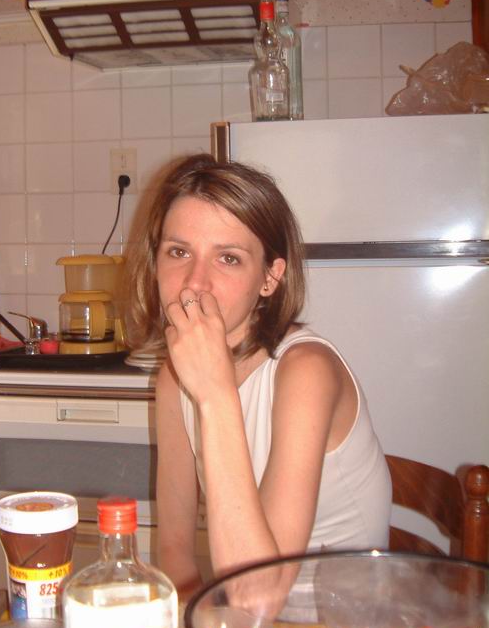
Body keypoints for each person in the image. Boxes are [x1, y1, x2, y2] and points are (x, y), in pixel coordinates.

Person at [126, 154, 392, 601]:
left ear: (270, 278)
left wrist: (215, 393)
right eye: (178, 252)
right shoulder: (174, 378)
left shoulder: (305, 371)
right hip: (241, 625)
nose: (194, 283)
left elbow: (259, 596)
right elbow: (175, 554)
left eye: (228, 258)